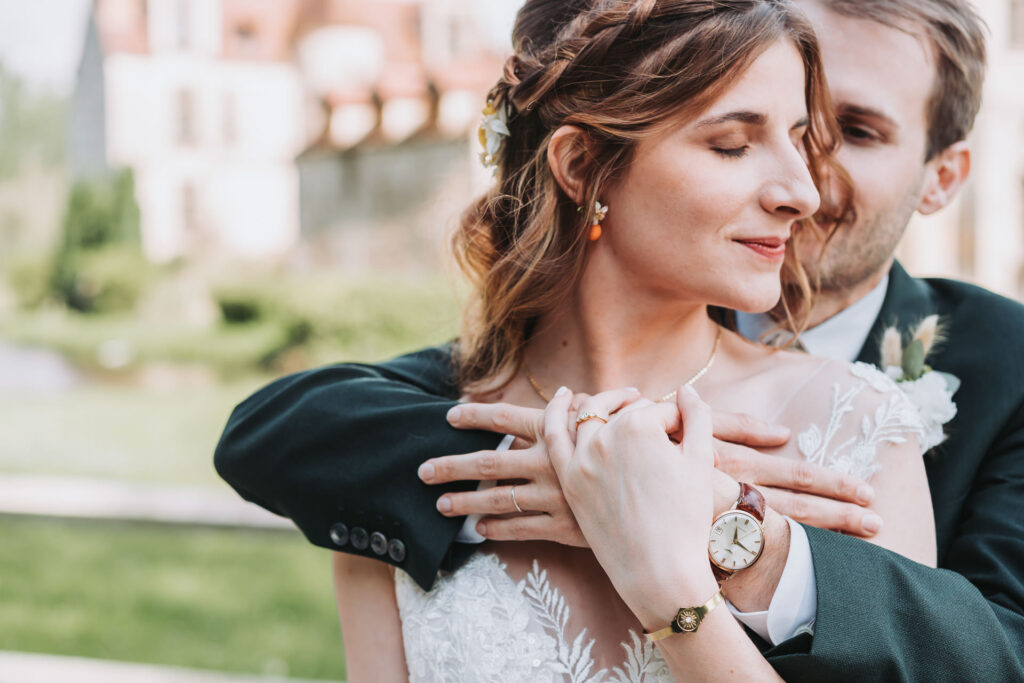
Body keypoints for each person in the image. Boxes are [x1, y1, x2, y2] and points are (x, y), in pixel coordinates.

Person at [214, 0, 1024, 679]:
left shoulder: (864, 424)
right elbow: (272, 431)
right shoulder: (403, 472)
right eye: (735, 144)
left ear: (941, 173)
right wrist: (583, 469)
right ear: (586, 166)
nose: (802, 191)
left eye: (824, 135)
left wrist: (681, 551)